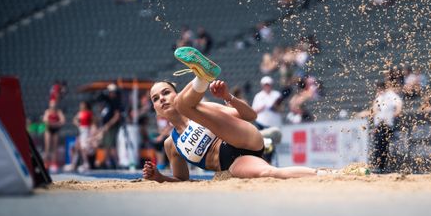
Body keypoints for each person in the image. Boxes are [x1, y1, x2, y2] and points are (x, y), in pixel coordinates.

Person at [143, 47, 343, 181]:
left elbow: (250, 116)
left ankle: (201, 76)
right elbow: (183, 181)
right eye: (155, 99)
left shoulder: (206, 109)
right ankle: (328, 174)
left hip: (240, 139)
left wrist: (228, 96)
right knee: (270, 172)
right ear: (155, 109)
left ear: (176, 93)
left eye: (166, 92)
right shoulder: (171, 144)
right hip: (232, 163)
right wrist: (159, 178)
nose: (161, 99)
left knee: (185, 107)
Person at [356, 81, 402, 174]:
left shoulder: (392, 96)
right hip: (378, 125)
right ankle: (380, 167)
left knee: (385, 146)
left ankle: (384, 167)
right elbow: (374, 111)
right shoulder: (379, 97)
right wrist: (367, 113)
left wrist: (390, 116)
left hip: (387, 125)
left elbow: (398, 108)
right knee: (378, 146)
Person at [42, 100, 65, 173]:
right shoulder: (47, 111)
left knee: (55, 147)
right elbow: (45, 121)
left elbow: (63, 121)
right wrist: (54, 124)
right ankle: (46, 163)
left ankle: (54, 164)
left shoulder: (58, 111)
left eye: (54, 105)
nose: (53, 107)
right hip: (48, 130)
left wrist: (55, 124)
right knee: (47, 147)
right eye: (52, 105)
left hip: (55, 130)